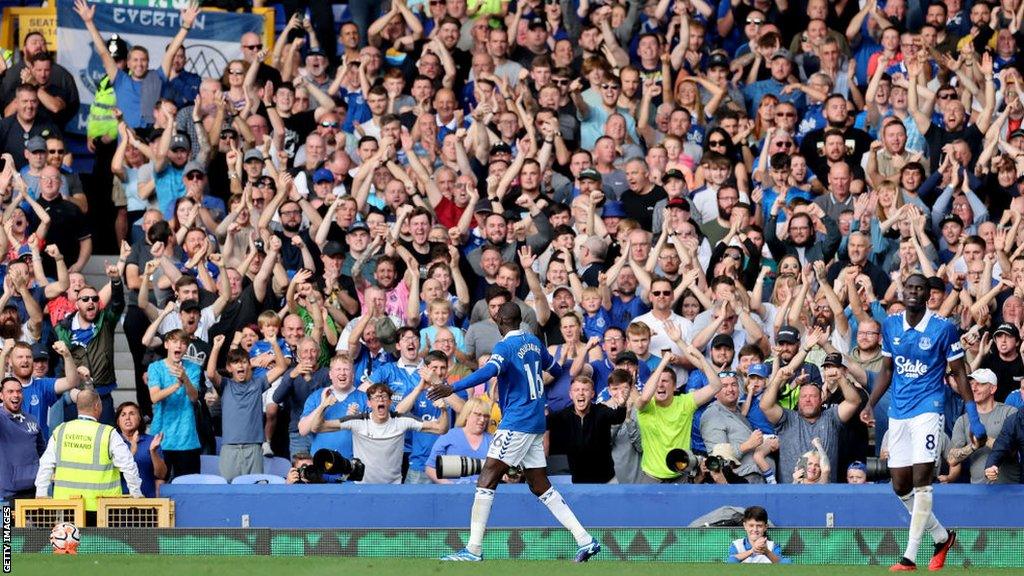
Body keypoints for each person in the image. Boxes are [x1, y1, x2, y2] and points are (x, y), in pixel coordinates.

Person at [427, 302, 602, 562]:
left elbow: (489, 371)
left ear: (499, 322)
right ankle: (585, 540)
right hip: (536, 421)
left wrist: (454, 387)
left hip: (517, 421)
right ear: (519, 320)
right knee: (539, 484)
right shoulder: (533, 341)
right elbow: (555, 370)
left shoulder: (505, 346)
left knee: (486, 478)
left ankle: (473, 550)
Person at [860, 273, 984, 571]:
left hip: (929, 409)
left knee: (922, 481)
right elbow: (887, 370)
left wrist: (974, 417)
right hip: (899, 412)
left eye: (920, 288)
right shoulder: (891, 325)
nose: (914, 292)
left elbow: (958, 373)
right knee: (900, 485)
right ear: (904, 292)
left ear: (928, 294)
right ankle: (942, 537)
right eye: (910, 287)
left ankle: (910, 556)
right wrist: (870, 403)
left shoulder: (944, 329)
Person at [34, 390, 142, 526]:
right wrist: (136, 495)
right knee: (102, 547)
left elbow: (45, 466)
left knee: (70, 546)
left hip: (66, 507)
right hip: (104, 508)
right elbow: (128, 466)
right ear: (97, 406)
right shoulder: (108, 433)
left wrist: (41, 497)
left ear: (78, 407)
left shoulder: (61, 430)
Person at [310, 382, 448, 484]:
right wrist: (323, 405)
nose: (380, 399)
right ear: (369, 403)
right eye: (376, 397)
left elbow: (441, 428)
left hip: (393, 488)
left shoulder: (402, 421)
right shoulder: (358, 421)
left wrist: (443, 410)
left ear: (389, 402)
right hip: (363, 488)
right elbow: (317, 427)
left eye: (384, 397)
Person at [546, 375, 627, 484]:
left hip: (607, 480)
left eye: (585, 390)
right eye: (576, 390)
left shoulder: (601, 411)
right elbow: (544, 423)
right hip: (578, 481)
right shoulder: (563, 415)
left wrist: (622, 405)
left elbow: (617, 417)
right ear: (571, 395)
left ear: (592, 394)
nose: (581, 393)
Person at [426, 396, 494, 484]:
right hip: (452, 493)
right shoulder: (449, 435)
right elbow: (430, 468)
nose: (482, 420)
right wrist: (448, 485)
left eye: (486, 416)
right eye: (478, 414)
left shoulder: (493, 440)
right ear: (467, 415)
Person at [0, 376, 45, 500]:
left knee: (36, 520)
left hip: (33, 492)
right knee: (7, 520)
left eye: (19, 391)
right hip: (6, 495)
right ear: (1, 395)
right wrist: (3, 356)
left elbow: (42, 452)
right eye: (10, 391)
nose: (16, 395)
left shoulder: (32, 420)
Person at [114, 401, 166, 498]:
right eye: (123, 415)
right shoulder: (113, 442)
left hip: (146, 500)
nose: (127, 418)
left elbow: (161, 475)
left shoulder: (151, 441)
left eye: (132, 414)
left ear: (139, 418)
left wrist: (153, 452)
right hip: (119, 501)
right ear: (118, 421)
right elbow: (112, 472)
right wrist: (132, 451)